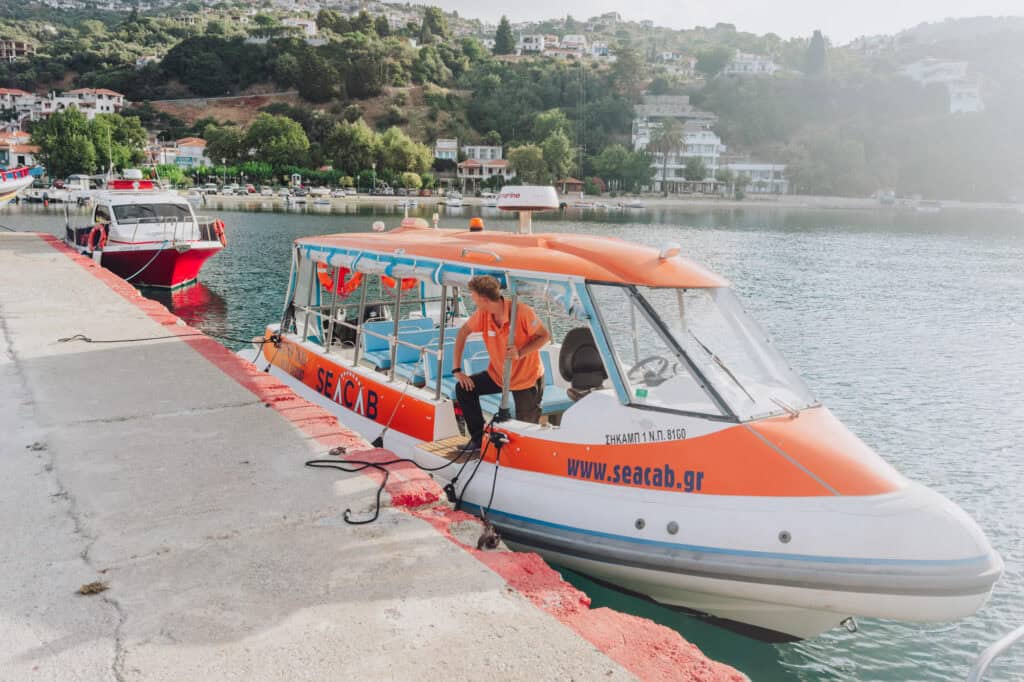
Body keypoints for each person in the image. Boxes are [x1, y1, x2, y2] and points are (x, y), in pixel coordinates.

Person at [453, 275, 550, 452]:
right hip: (498, 376)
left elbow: (545, 336)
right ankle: (478, 440)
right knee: (464, 389)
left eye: (473, 297)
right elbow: (462, 333)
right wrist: (457, 370)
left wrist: (519, 353)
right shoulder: (482, 315)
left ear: (484, 299)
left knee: (526, 432)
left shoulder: (522, 312)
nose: (472, 300)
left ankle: (524, 459)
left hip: (526, 379)